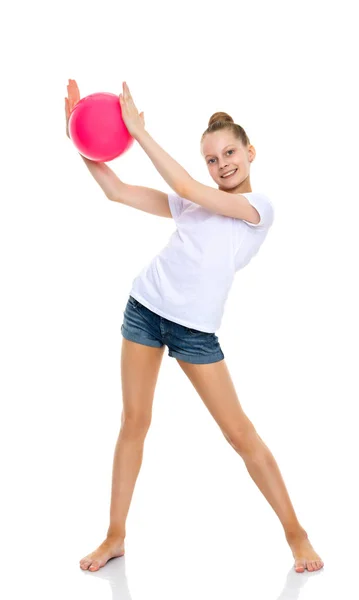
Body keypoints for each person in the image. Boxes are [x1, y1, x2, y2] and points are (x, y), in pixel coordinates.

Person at [65, 79, 324, 574]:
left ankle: (297, 533)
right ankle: (115, 535)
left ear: (250, 152)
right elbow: (116, 190)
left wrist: (139, 133)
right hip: (144, 308)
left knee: (240, 433)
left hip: (194, 332)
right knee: (133, 423)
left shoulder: (257, 210)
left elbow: (186, 186)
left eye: (230, 153)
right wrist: (80, 142)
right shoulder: (194, 202)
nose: (222, 163)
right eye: (211, 159)